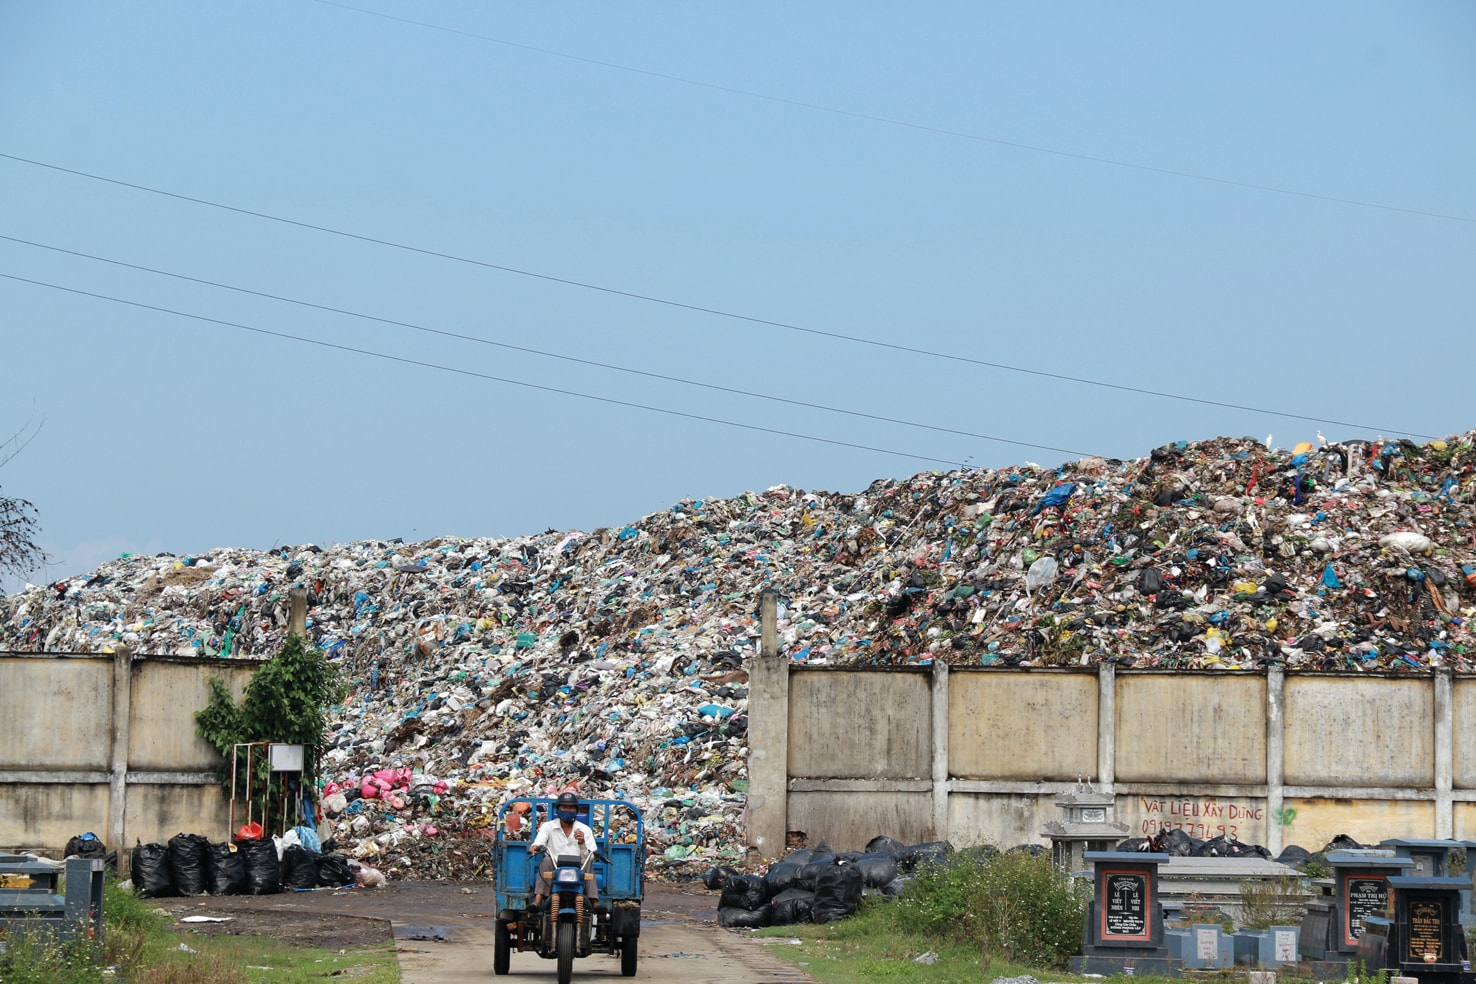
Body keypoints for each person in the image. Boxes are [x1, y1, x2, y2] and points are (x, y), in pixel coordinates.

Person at [529, 791, 598, 911]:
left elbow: (591, 854)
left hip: (578, 866)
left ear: (576, 811)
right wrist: (535, 847)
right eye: (564, 807)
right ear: (558, 809)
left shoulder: (585, 830)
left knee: (589, 864)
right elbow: (540, 841)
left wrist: (582, 843)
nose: (567, 810)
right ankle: (538, 900)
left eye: (571, 808)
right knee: (545, 861)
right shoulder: (548, 827)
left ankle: (595, 902)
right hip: (555, 864)